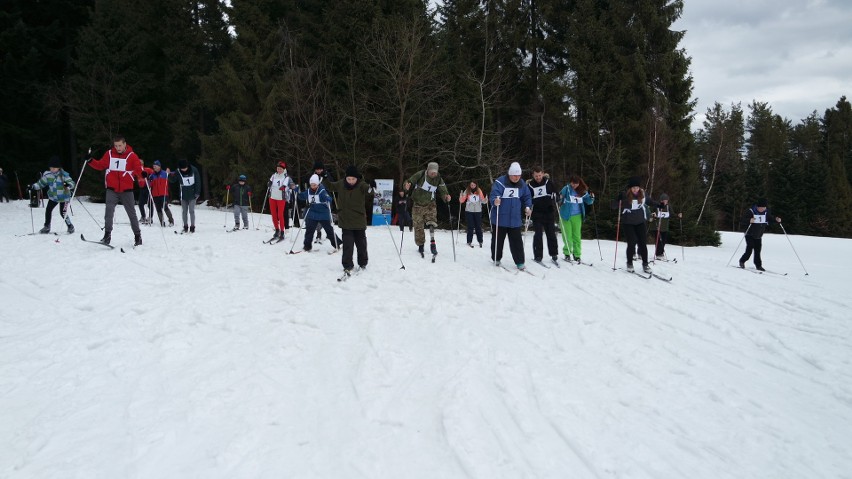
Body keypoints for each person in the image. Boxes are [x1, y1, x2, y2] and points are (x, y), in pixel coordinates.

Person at [86, 135, 144, 245]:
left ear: (125, 144)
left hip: (126, 190)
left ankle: (137, 236)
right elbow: (100, 165)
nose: (118, 148)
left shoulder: (132, 156)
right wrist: (90, 160)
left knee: (132, 214)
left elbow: (138, 169)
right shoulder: (109, 154)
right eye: (116, 146)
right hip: (112, 189)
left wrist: (143, 174)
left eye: (120, 145)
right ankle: (107, 235)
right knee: (109, 212)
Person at [323, 165, 375, 274]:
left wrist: (371, 186)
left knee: (361, 245)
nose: (351, 181)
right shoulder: (341, 184)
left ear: (357, 178)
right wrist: (324, 178)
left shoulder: (361, 185)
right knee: (348, 245)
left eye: (353, 179)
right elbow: (331, 187)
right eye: (349, 179)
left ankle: (362, 263)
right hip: (345, 220)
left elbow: (369, 190)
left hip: (359, 220)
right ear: (346, 178)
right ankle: (347, 264)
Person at [489, 162, 533, 269]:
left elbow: (527, 196)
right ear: (509, 174)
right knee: (498, 240)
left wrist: (528, 207)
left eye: (518, 175)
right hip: (500, 217)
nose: (516, 178)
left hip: (515, 219)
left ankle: (520, 262)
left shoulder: (522, 184)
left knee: (516, 241)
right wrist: (495, 201)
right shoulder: (500, 182)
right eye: (514, 175)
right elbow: (494, 194)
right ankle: (496, 258)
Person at [404, 162, 451, 258]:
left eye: (435, 172)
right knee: (418, 227)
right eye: (432, 172)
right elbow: (409, 181)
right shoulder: (420, 174)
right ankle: (421, 245)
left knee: (431, 222)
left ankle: (432, 242)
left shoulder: (438, 178)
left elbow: (443, 190)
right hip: (418, 204)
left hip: (430, 204)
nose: (433, 174)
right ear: (428, 170)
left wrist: (446, 196)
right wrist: (406, 185)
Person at [617, 176, 656, 273]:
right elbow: (613, 206)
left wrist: (660, 205)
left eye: (637, 188)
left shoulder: (642, 194)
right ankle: (629, 263)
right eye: (633, 188)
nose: (636, 190)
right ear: (630, 188)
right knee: (632, 242)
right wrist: (618, 199)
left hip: (640, 222)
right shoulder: (625, 195)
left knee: (643, 243)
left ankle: (645, 264)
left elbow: (650, 201)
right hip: (628, 222)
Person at [30, 156, 75, 234]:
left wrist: (68, 185)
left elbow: (72, 183)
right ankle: (47, 226)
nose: (52, 170)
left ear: (58, 168)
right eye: (51, 168)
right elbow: (41, 183)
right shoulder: (48, 175)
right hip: (53, 197)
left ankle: (70, 226)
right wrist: (33, 186)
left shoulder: (64, 175)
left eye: (54, 168)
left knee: (63, 212)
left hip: (64, 197)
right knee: (48, 210)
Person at [298, 174, 342, 252]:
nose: (313, 186)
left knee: (329, 230)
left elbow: (329, 198)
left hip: (323, 214)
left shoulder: (322, 191)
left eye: (314, 185)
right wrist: (296, 190)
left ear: (318, 184)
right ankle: (307, 246)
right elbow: (301, 196)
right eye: (311, 185)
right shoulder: (308, 191)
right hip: (312, 214)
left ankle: (337, 243)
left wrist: (327, 199)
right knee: (309, 230)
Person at [558, 174, 595, 263]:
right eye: (572, 183)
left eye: (576, 183)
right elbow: (559, 197)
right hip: (565, 215)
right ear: (570, 182)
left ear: (579, 183)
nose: (574, 185)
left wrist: (592, 197)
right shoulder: (566, 189)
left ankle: (577, 254)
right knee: (567, 236)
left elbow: (589, 201)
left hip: (577, 216)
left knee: (577, 236)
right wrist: (560, 199)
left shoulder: (582, 190)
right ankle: (567, 253)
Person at [738, 198, 782, 271]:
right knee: (749, 249)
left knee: (758, 251)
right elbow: (742, 220)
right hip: (749, 233)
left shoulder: (766, 212)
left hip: (758, 234)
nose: (762, 209)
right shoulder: (750, 211)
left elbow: (770, 219)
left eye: (764, 208)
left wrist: (776, 220)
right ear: (757, 206)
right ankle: (742, 261)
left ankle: (758, 265)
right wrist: (749, 220)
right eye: (761, 208)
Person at [527, 167, 560, 262]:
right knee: (538, 234)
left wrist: (556, 197)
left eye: (539, 175)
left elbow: (557, 195)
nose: (538, 177)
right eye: (536, 176)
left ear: (543, 174)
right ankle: (538, 255)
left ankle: (553, 253)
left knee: (551, 233)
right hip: (537, 212)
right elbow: (527, 197)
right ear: (533, 175)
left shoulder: (549, 183)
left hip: (549, 211)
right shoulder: (530, 185)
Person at [168, 159, 201, 233]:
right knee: (184, 211)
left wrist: (197, 192)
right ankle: (185, 226)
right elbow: (173, 180)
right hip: (183, 195)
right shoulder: (178, 171)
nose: (183, 170)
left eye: (184, 168)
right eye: (182, 169)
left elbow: (198, 181)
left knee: (191, 211)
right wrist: (169, 174)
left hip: (192, 195)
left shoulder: (194, 170)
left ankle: (192, 227)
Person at [650, 193, 681, 260]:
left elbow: (671, 214)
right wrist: (653, 215)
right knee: (658, 241)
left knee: (663, 241)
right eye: (664, 200)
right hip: (657, 226)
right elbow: (651, 213)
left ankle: (661, 253)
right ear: (661, 200)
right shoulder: (657, 206)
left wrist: (677, 216)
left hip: (665, 227)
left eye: (666, 200)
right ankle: (658, 254)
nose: (665, 202)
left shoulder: (668, 206)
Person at [267, 161, 292, 240]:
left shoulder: (286, 176)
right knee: (274, 215)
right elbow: (270, 182)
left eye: (280, 169)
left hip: (281, 198)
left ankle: (282, 231)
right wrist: (269, 184)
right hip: (272, 197)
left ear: (284, 169)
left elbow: (287, 184)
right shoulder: (274, 175)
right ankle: (277, 230)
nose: (279, 170)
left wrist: (284, 187)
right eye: (278, 168)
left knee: (280, 215)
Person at [459, 181, 486, 247]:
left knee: (478, 227)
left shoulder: (479, 190)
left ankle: (480, 241)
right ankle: (469, 241)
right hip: (469, 211)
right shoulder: (467, 191)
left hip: (478, 211)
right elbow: (462, 201)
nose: (472, 186)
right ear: (470, 185)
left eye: (474, 185)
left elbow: (483, 200)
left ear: (476, 185)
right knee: (470, 226)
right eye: (471, 185)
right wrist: (461, 196)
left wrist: (485, 199)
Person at [148, 161, 174, 227]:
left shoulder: (165, 173)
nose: (154, 167)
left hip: (164, 194)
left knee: (165, 207)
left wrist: (170, 173)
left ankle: (171, 221)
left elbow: (173, 176)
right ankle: (161, 222)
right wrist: (149, 181)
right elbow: (149, 185)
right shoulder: (152, 175)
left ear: (159, 166)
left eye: (156, 166)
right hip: (155, 195)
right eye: (154, 166)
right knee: (158, 209)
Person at [137, 158, 153, 225]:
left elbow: (153, 174)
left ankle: (150, 217)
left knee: (150, 204)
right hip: (141, 188)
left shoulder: (147, 169)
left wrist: (149, 177)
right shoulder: (137, 170)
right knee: (140, 203)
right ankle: (143, 216)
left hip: (147, 187)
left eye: (141, 163)